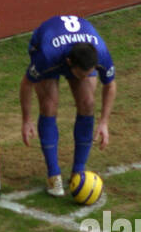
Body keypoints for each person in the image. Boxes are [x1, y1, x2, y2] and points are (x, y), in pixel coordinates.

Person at [19, 14, 117, 197]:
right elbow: (27, 83)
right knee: (49, 105)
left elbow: (110, 85)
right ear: (70, 64)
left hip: (75, 50)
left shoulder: (101, 54)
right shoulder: (46, 57)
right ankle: (53, 175)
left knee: (87, 103)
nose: (86, 78)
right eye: (82, 74)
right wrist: (27, 120)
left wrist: (104, 122)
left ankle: (77, 172)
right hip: (45, 44)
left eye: (90, 73)